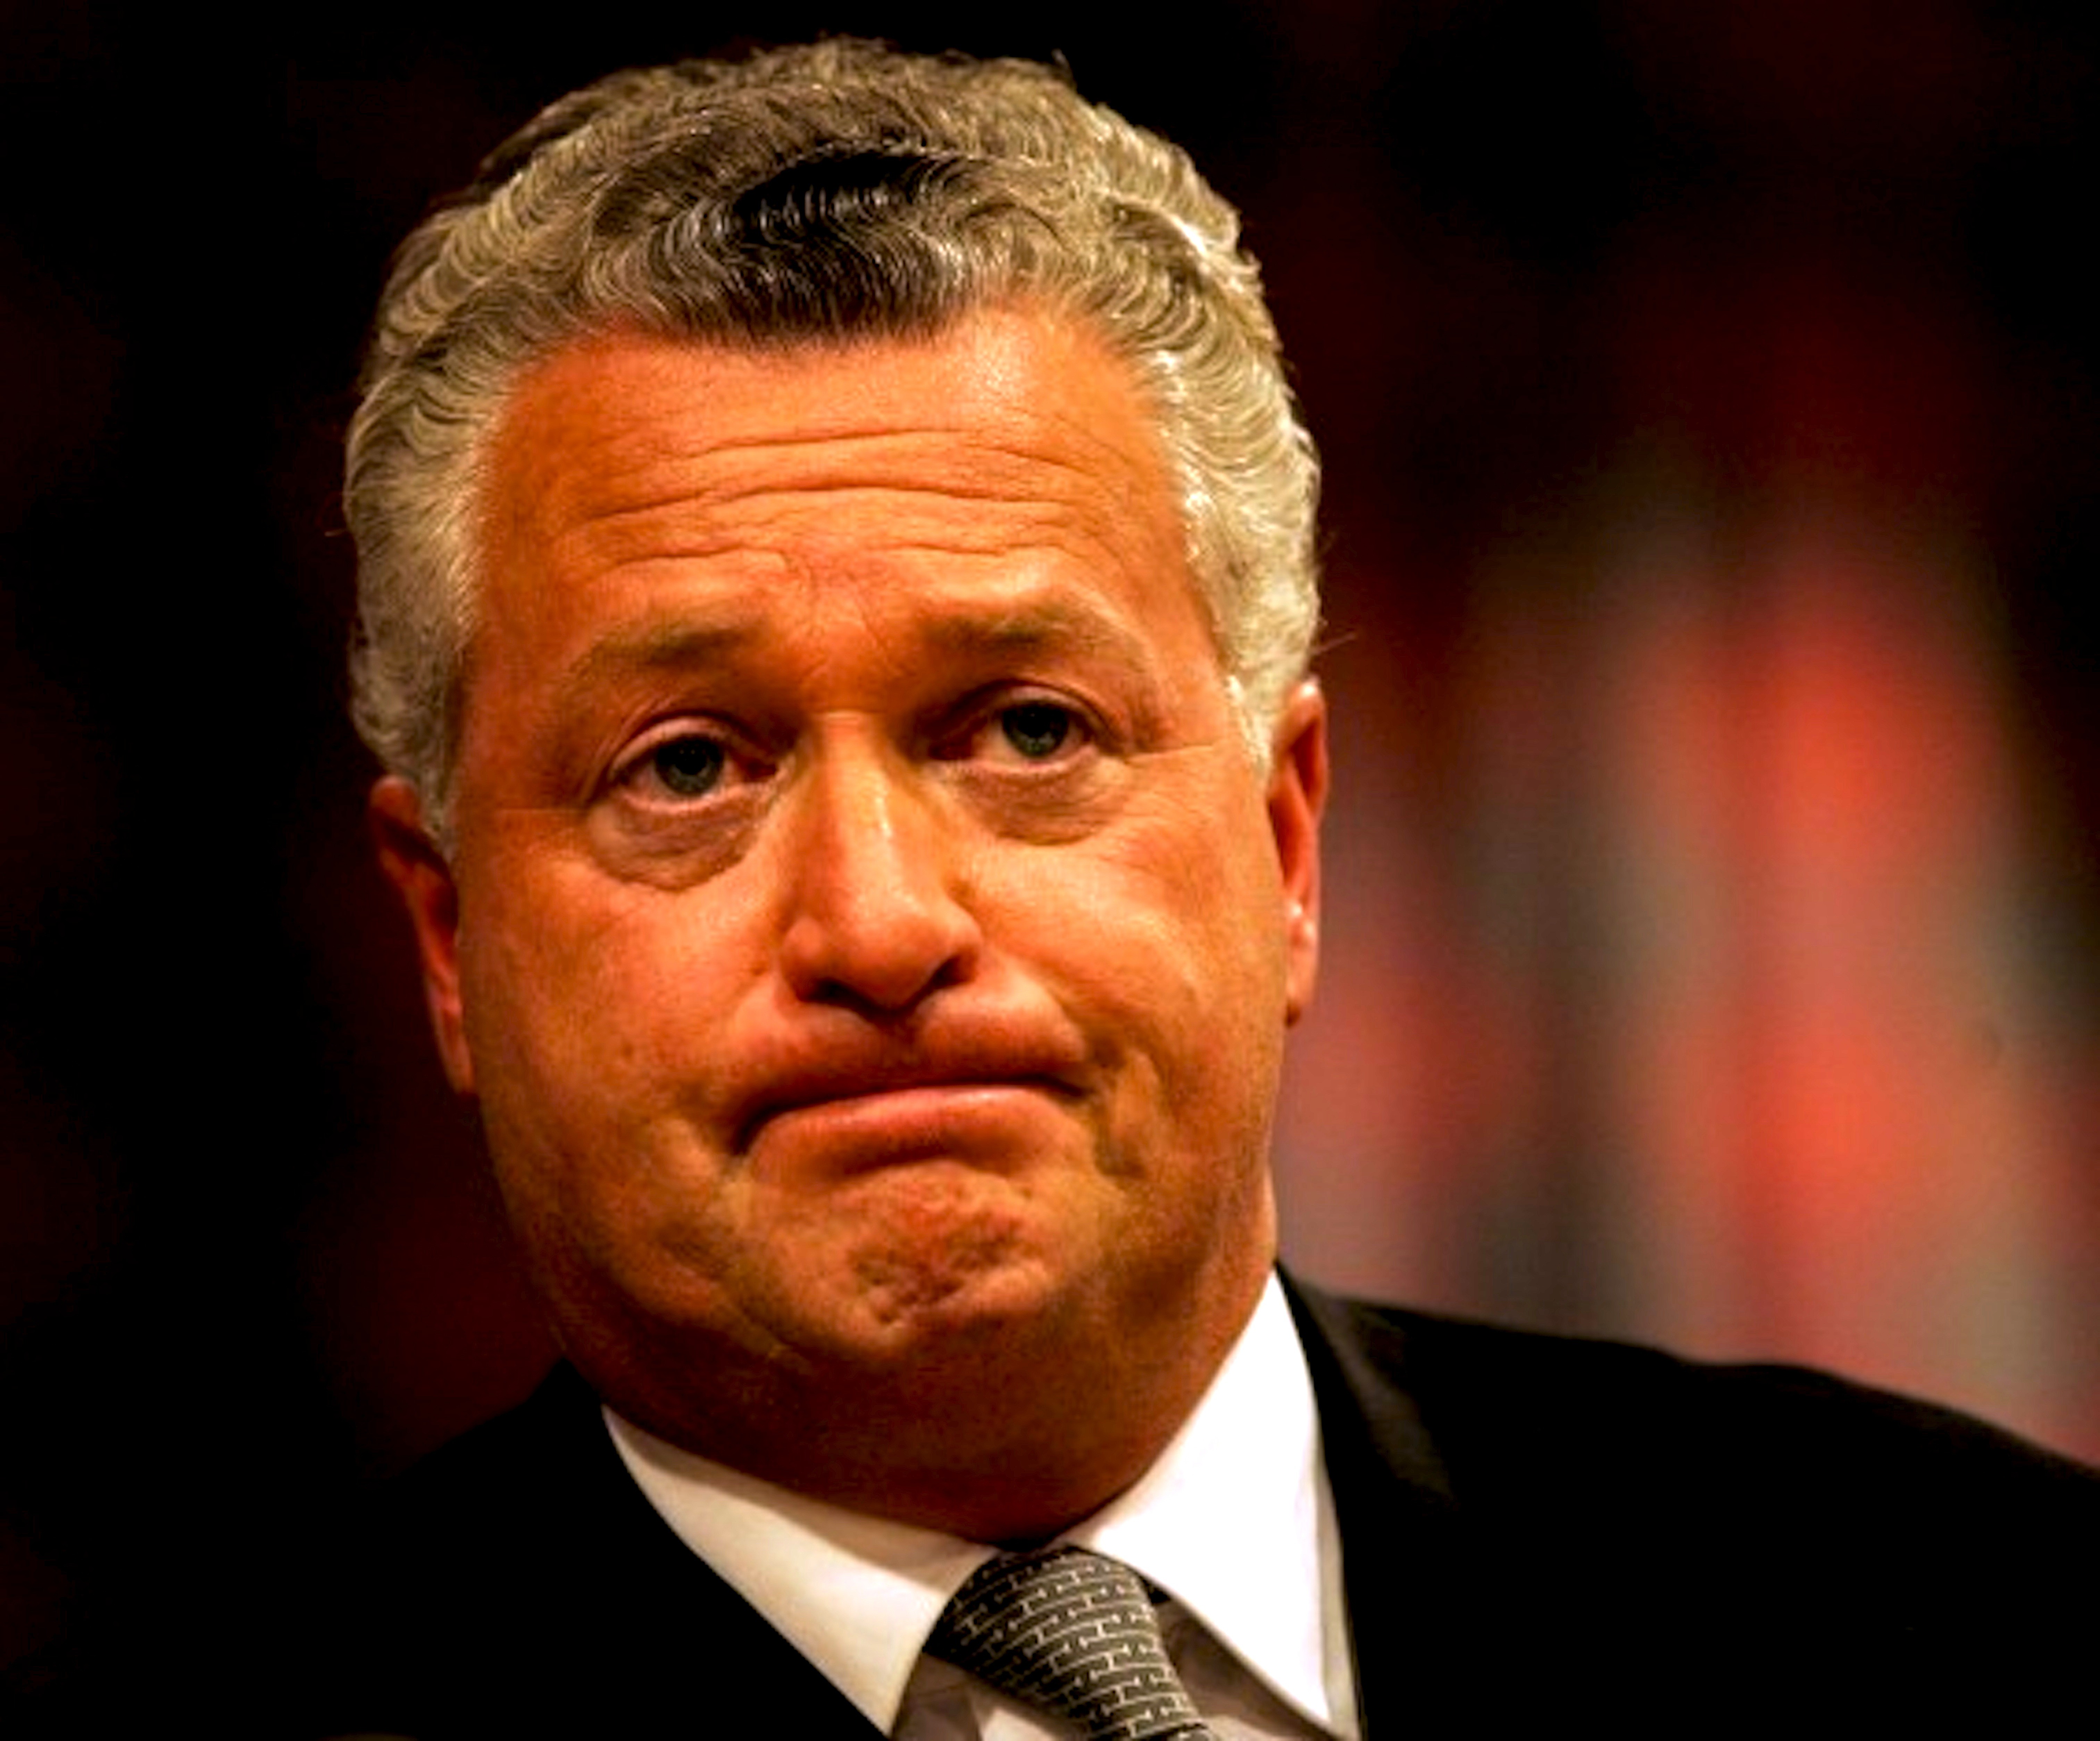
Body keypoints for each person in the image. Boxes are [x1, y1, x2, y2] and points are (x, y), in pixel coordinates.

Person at [312, 38, 2096, 1739]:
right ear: (449, 938)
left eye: (1029, 729)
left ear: (1288, 843)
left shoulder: (1993, 1625)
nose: (881, 926)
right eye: (689, 766)